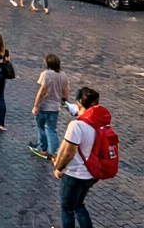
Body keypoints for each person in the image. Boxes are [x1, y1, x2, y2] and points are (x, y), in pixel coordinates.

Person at [54, 87, 105, 228]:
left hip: (75, 174)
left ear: (79, 103)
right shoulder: (101, 123)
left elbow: (69, 153)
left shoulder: (77, 126)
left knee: (67, 209)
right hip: (92, 174)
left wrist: (59, 167)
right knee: (79, 205)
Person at [31, 54, 70, 160]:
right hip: (55, 107)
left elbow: (42, 91)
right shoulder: (63, 75)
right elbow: (66, 91)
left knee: (41, 127)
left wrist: (35, 105)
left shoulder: (46, 74)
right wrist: (64, 102)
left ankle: (42, 148)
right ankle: (54, 152)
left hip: (44, 106)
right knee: (52, 130)